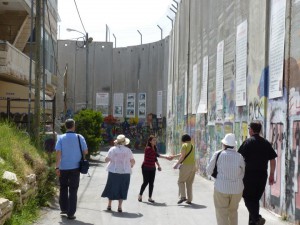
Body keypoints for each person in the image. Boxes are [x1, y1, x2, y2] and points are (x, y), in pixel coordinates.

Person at [238, 121, 277, 225]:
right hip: (262, 176)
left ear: (251, 130)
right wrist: (272, 175)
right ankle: (253, 222)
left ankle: (256, 218)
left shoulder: (247, 142)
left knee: (247, 198)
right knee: (255, 199)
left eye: (249, 128)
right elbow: (273, 159)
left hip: (249, 176)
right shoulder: (266, 143)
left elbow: (239, 158)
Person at [206, 133, 245, 225]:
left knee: (221, 213)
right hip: (237, 189)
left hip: (221, 188)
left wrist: (218, 178)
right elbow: (243, 172)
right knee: (233, 212)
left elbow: (208, 170)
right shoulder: (239, 156)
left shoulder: (218, 154)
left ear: (224, 144)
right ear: (233, 145)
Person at [55, 119, 88, 220]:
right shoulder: (79, 137)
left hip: (63, 167)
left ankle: (64, 208)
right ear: (73, 126)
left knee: (63, 187)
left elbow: (58, 153)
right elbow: (85, 151)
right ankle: (71, 213)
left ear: (66, 126)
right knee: (73, 190)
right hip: (75, 168)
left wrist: (57, 167)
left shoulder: (60, 138)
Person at [101, 134, 135, 212]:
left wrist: (110, 158)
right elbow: (132, 161)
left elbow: (106, 160)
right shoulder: (128, 150)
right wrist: (131, 165)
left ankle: (109, 205)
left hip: (113, 171)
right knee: (123, 188)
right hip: (125, 172)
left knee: (111, 187)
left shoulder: (112, 149)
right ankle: (119, 207)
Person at [138, 135, 171, 203]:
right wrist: (166, 157)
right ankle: (140, 195)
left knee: (151, 183)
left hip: (152, 168)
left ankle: (150, 197)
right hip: (146, 167)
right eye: (153, 140)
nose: (155, 141)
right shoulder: (148, 148)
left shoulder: (154, 148)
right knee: (145, 182)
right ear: (150, 141)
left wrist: (158, 166)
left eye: (155, 140)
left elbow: (155, 158)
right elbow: (156, 155)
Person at [172, 134, 196, 204]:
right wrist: (175, 156)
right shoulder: (192, 145)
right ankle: (189, 199)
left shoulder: (184, 145)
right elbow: (184, 154)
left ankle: (183, 196)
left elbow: (182, 156)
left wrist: (176, 165)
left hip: (186, 166)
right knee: (189, 183)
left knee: (180, 181)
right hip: (193, 166)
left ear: (183, 140)